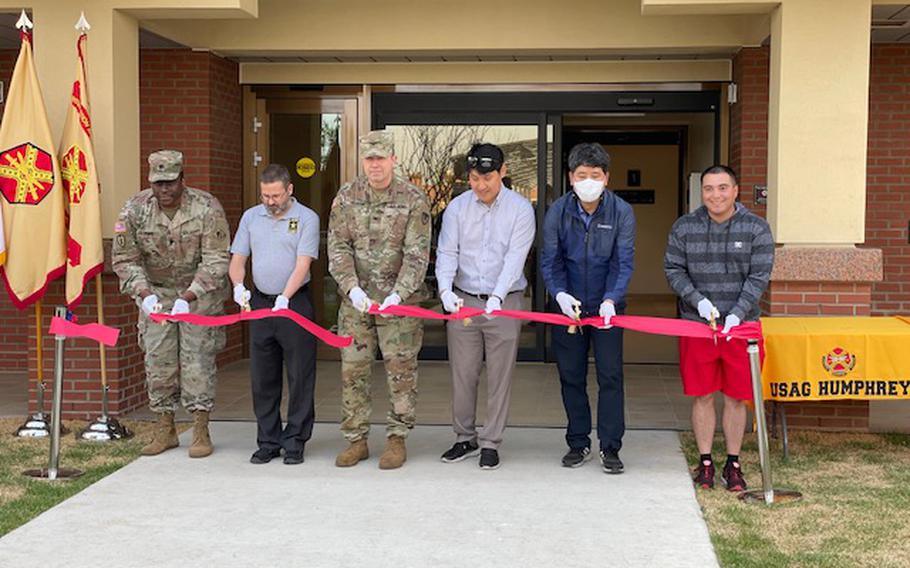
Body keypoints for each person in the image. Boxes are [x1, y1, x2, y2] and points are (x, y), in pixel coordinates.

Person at [112, 149, 230, 459]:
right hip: (157, 296)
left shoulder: (206, 207)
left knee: (198, 364)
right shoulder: (135, 209)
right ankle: (164, 428)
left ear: (182, 179)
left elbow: (217, 259)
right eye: (158, 183)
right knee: (158, 362)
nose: (164, 189)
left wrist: (189, 296)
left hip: (199, 297)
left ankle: (200, 427)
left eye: (170, 183)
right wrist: (144, 294)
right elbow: (124, 259)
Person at [664, 164, 774, 491]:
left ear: (736, 190)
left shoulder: (757, 229)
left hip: (742, 327)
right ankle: (706, 461)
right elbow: (673, 269)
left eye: (723, 188)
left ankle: (734, 463)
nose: (716, 195)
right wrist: (697, 300)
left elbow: (759, 277)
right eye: (709, 189)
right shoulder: (684, 227)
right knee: (702, 395)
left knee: (737, 398)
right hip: (698, 327)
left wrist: (737, 313)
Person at [327, 130, 431, 470]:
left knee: (400, 372)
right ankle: (356, 441)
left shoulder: (413, 199)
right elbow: (338, 246)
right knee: (353, 372)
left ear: (393, 160)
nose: (375, 165)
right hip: (356, 305)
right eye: (369, 159)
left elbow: (418, 254)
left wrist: (399, 293)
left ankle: (397, 439)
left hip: (399, 305)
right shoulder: (346, 196)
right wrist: (351, 287)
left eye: (380, 159)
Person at [436, 143, 535, 470]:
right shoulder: (457, 208)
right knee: (462, 374)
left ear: (503, 172)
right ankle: (464, 437)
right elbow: (447, 252)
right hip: (464, 301)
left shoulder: (521, 209)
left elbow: (515, 258)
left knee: (499, 375)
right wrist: (445, 290)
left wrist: (497, 295)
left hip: (504, 303)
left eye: (488, 178)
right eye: (475, 178)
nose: (481, 185)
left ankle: (491, 441)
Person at [540, 142, 636, 474]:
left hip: (608, 307)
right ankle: (578, 442)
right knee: (571, 375)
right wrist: (559, 295)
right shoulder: (558, 211)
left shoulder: (621, 211)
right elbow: (550, 261)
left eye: (595, 175)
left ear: (606, 178)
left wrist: (611, 299)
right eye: (582, 175)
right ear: (571, 177)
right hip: (567, 308)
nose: (589, 181)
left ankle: (611, 447)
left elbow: (622, 262)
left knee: (610, 375)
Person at [229, 164, 319, 465]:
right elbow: (238, 258)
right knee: (263, 376)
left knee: (299, 375)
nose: (270, 201)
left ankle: (295, 440)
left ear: (289, 189)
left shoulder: (307, 218)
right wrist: (239, 285)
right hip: (260, 303)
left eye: (276, 195)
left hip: (294, 304)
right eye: (265, 195)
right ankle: (268, 440)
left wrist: (285, 297)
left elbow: (303, 264)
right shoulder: (251, 217)